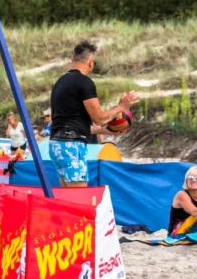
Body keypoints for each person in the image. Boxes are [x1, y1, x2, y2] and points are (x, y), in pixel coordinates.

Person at [48, 40, 137, 187]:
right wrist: (121, 106)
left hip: (56, 145)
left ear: (72, 60)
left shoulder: (60, 82)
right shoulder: (84, 82)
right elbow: (99, 118)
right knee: (79, 196)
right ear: (91, 62)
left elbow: (72, 123)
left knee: (68, 196)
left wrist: (105, 131)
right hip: (72, 145)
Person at [169, 166, 197, 232]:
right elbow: (196, 213)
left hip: (193, 231)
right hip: (177, 234)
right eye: (190, 178)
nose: (193, 180)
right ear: (186, 181)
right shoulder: (181, 195)